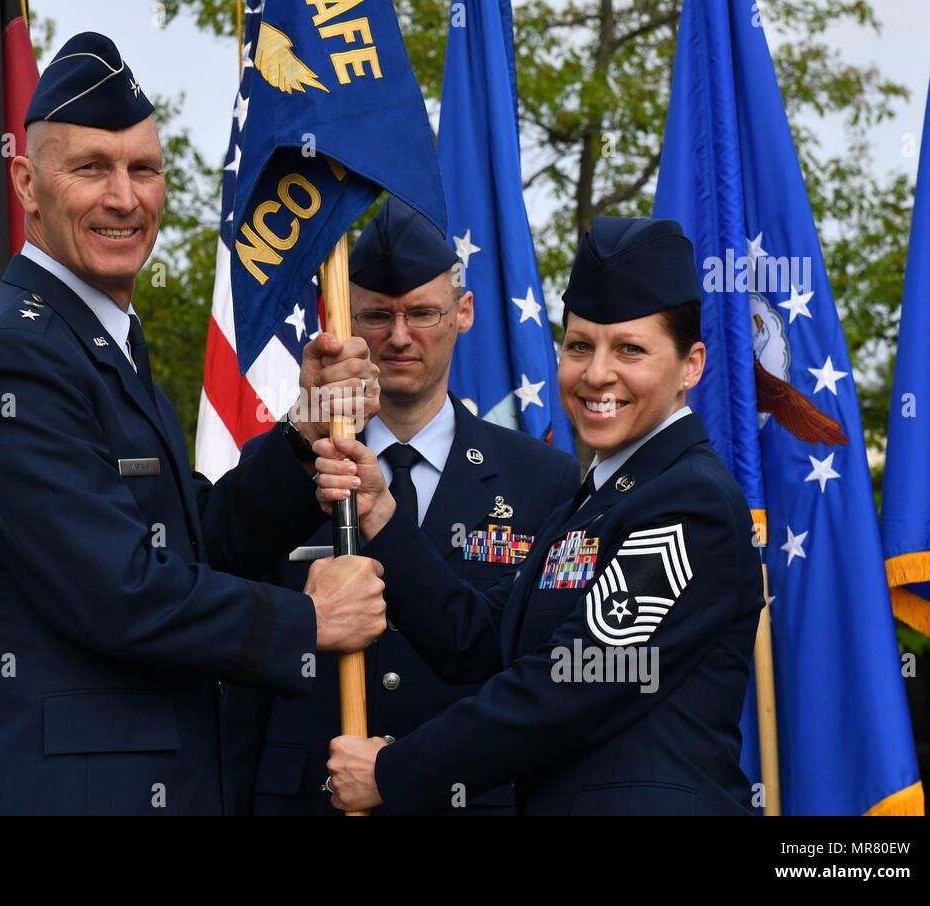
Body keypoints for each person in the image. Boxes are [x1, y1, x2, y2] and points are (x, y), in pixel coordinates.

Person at [0, 33, 388, 816]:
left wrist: (302, 438)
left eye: (144, 169)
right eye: (91, 168)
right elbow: (119, 591)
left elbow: (191, 540)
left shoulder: (94, 341)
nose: (124, 198)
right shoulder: (12, 360)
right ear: (26, 183)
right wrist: (308, 620)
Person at [317, 217, 764, 815]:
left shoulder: (688, 502)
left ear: (691, 365)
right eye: (579, 346)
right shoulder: (599, 499)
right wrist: (378, 512)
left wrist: (394, 771)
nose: (597, 374)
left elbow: (573, 681)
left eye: (630, 349)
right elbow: (478, 640)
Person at [223, 197, 579, 815]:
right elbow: (236, 637)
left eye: (422, 313)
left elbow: (540, 676)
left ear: (463, 312)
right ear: (343, 318)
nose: (399, 336)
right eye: (377, 316)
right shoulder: (290, 464)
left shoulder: (544, 479)